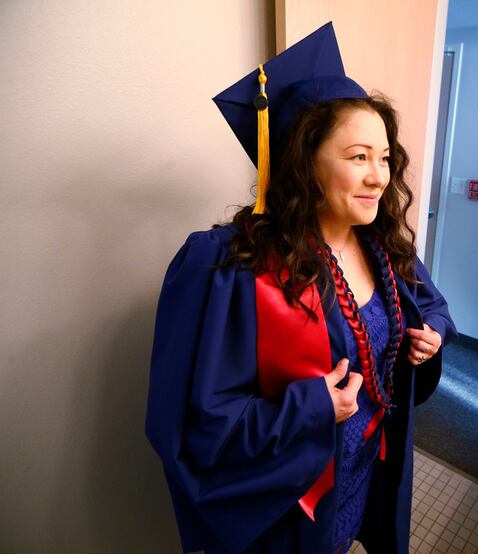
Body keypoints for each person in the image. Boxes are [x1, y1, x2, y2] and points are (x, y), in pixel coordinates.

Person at [145, 22, 457, 554]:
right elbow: (194, 425)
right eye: (359, 157)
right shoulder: (231, 269)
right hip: (287, 502)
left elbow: (432, 310)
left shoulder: (384, 248)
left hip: (362, 471)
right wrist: (312, 406)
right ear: (303, 164)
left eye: (384, 158)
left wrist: (428, 341)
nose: (381, 177)